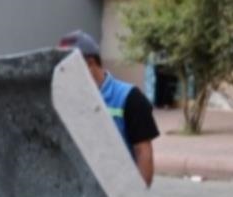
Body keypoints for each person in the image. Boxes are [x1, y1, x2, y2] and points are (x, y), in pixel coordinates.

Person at [58, 30, 158, 187]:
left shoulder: (129, 98)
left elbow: (143, 152)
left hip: (121, 190)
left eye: (67, 68)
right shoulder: (69, 100)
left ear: (90, 63)